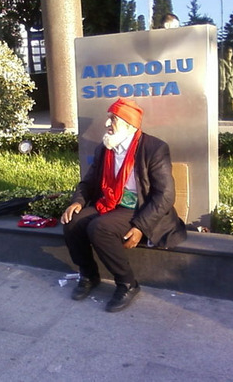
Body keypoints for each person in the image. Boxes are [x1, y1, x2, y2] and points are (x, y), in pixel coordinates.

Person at [61, 98, 187, 313]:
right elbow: (88, 182)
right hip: (111, 203)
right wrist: (78, 201)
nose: (106, 124)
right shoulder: (105, 149)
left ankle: (127, 283)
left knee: (99, 228)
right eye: (108, 118)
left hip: (140, 208)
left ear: (129, 125)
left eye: (113, 119)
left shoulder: (154, 148)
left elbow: (165, 195)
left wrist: (141, 226)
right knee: (72, 222)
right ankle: (89, 275)